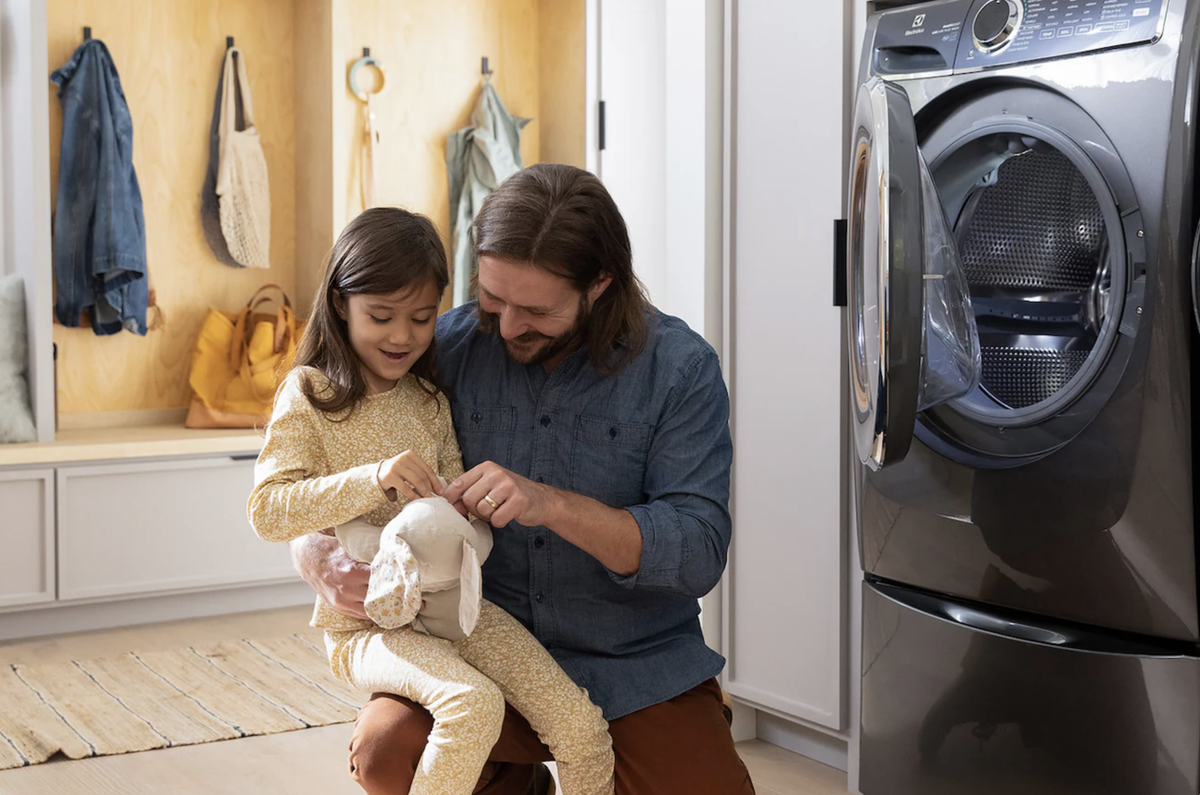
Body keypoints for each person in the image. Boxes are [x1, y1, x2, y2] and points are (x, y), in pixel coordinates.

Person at [291, 164, 755, 795]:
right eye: (492, 298)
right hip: (474, 645)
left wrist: (552, 505)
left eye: (536, 309)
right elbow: (331, 451)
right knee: (384, 752)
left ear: (600, 283)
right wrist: (315, 553)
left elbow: (698, 550)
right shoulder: (444, 344)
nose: (507, 327)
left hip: (635, 661)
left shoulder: (680, 369)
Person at [248, 206, 614, 795]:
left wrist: (472, 509)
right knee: (472, 705)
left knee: (578, 725)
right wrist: (375, 479)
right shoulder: (310, 393)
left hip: (456, 607)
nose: (402, 336)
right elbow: (268, 511)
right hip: (366, 627)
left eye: (421, 318)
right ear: (341, 303)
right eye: (381, 316)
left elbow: (451, 515)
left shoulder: (427, 400)